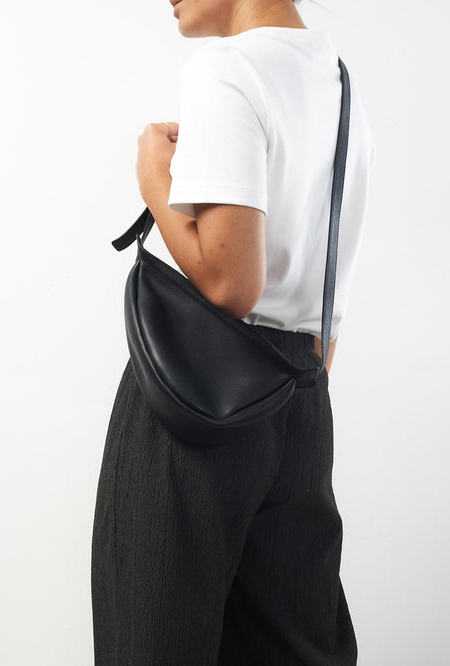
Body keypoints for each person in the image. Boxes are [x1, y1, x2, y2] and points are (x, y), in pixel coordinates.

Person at [91, 0, 376, 664]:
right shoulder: (342, 88)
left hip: (196, 408)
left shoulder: (226, 67)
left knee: (155, 644)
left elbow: (229, 284)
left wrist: (153, 178)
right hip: (302, 397)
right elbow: (325, 291)